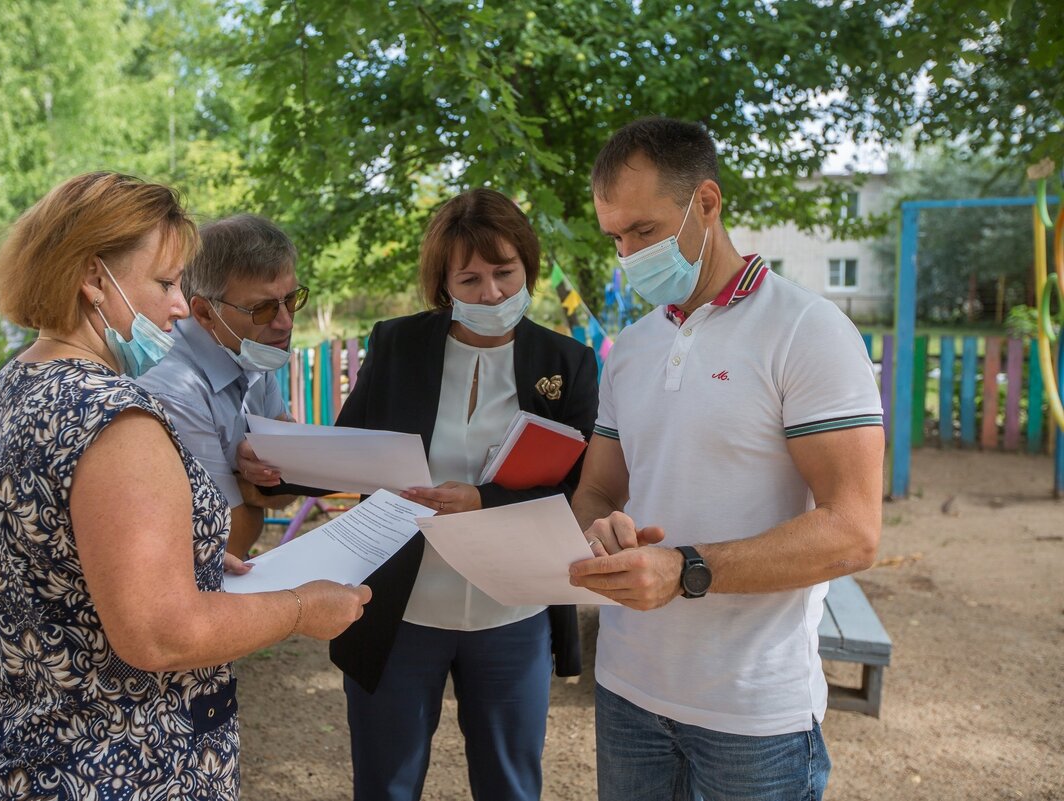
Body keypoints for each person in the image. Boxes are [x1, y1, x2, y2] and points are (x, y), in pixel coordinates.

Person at [0, 172, 370, 801]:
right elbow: (160, 633)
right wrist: (302, 610)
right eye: (167, 283)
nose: (180, 307)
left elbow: (57, 559)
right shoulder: (115, 417)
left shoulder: (13, 386)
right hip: (120, 766)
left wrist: (192, 555)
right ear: (93, 278)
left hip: (22, 752)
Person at [243, 187, 598, 800]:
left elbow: (584, 489)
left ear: (529, 267)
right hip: (401, 606)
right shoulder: (398, 344)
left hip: (512, 612)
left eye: (505, 272)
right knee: (386, 783)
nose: (492, 293)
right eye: (470, 279)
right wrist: (273, 464)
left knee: (511, 785)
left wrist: (484, 500)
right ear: (443, 285)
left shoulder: (568, 362)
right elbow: (350, 450)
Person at [567, 117, 884, 801]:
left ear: (705, 202)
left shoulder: (808, 331)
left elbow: (854, 532)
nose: (629, 254)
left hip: (754, 715)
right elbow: (596, 493)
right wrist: (600, 531)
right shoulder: (633, 349)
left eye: (644, 231)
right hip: (626, 690)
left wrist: (686, 569)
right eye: (615, 237)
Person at [137, 214, 304, 558]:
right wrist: (254, 486)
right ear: (204, 313)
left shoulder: (250, 351)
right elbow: (228, 541)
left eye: (292, 300)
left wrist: (265, 482)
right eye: (262, 309)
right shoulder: (174, 389)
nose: (285, 322)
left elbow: (290, 487)